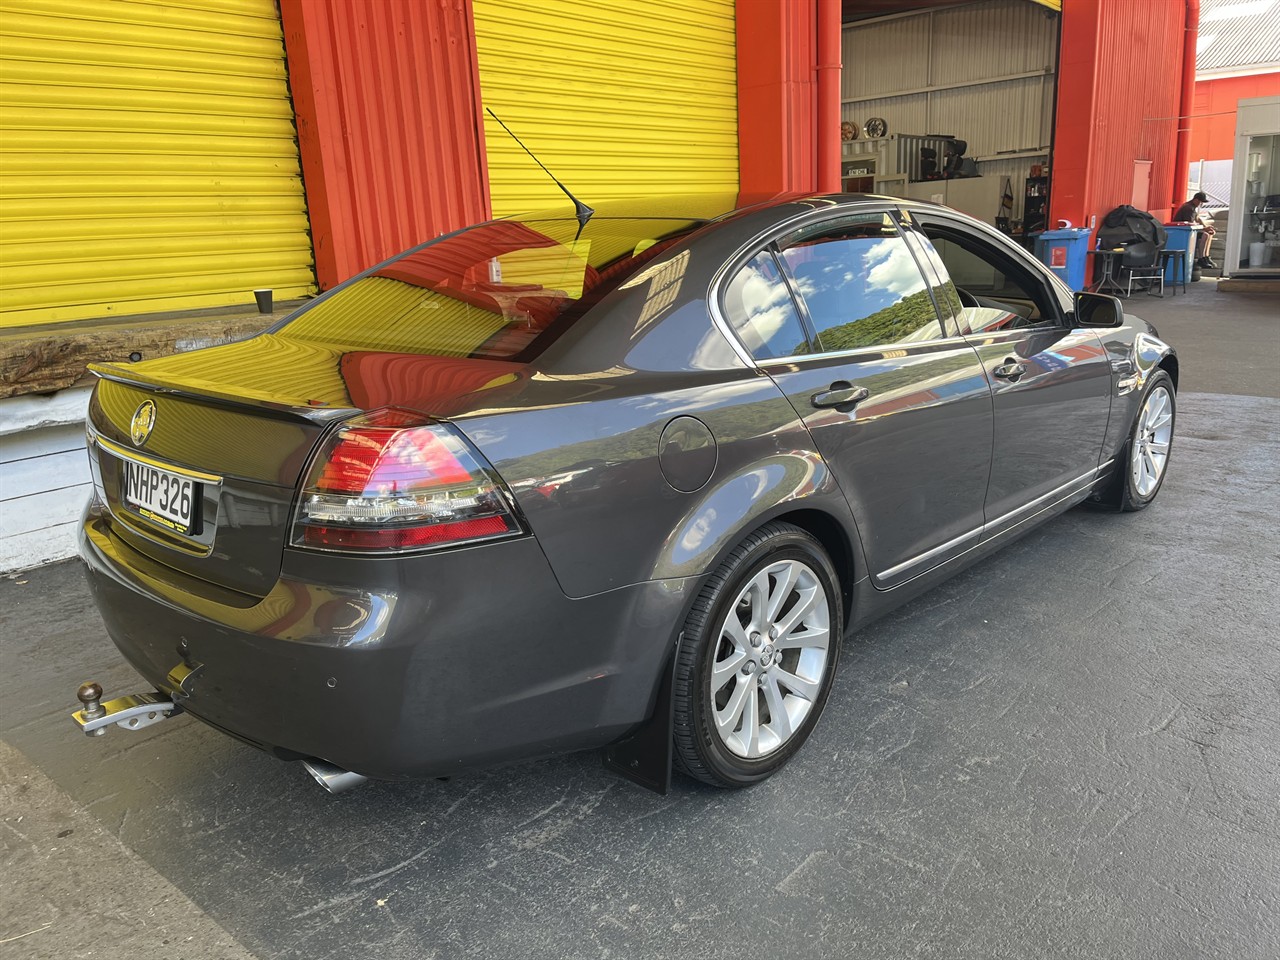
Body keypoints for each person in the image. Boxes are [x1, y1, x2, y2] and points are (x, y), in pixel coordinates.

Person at [1173, 191, 1217, 269]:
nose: (1201, 204)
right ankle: (1201, 258)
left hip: (1187, 230)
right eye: (1200, 202)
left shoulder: (1192, 207)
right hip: (1183, 232)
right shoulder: (1189, 208)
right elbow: (1190, 224)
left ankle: (1206, 256)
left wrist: (1206, 227)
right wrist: (1204, 229)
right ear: (1196, 200)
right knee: (1205, 235)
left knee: (1209, 233)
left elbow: (1197, 219)